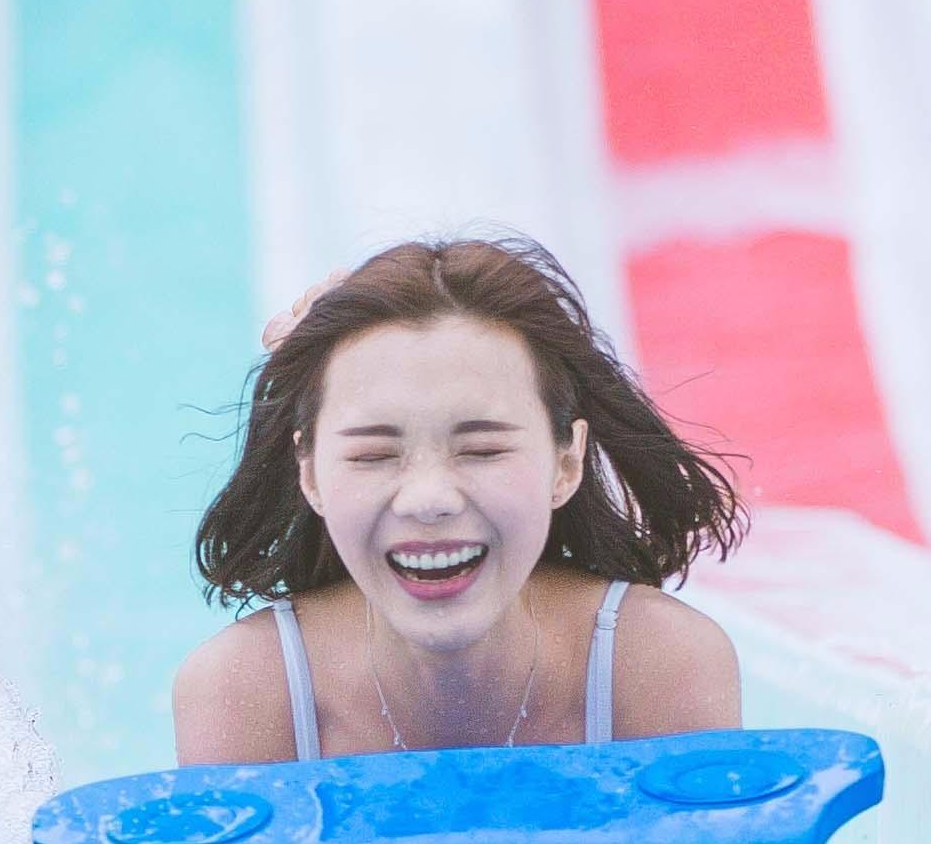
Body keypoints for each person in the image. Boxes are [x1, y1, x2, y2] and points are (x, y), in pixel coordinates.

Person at [171, 236, 752, 763]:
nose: (429, 500)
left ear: (567, 462)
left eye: (481, 449)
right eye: (373, 455)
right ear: (312, 475)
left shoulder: (653, 666)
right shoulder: (248, 691)